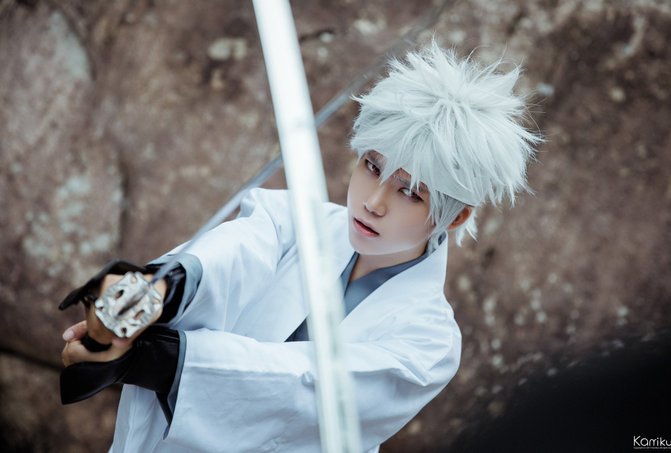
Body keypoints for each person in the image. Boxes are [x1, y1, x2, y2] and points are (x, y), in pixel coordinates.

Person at [60, 42, 540, 452]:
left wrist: (147, 358)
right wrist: (161, 289)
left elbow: (308, 388)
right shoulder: (292, 220)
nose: (373, 202)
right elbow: (234, 254)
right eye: (372, 166)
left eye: (410, 193)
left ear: (455, 216)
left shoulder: (430, 343)